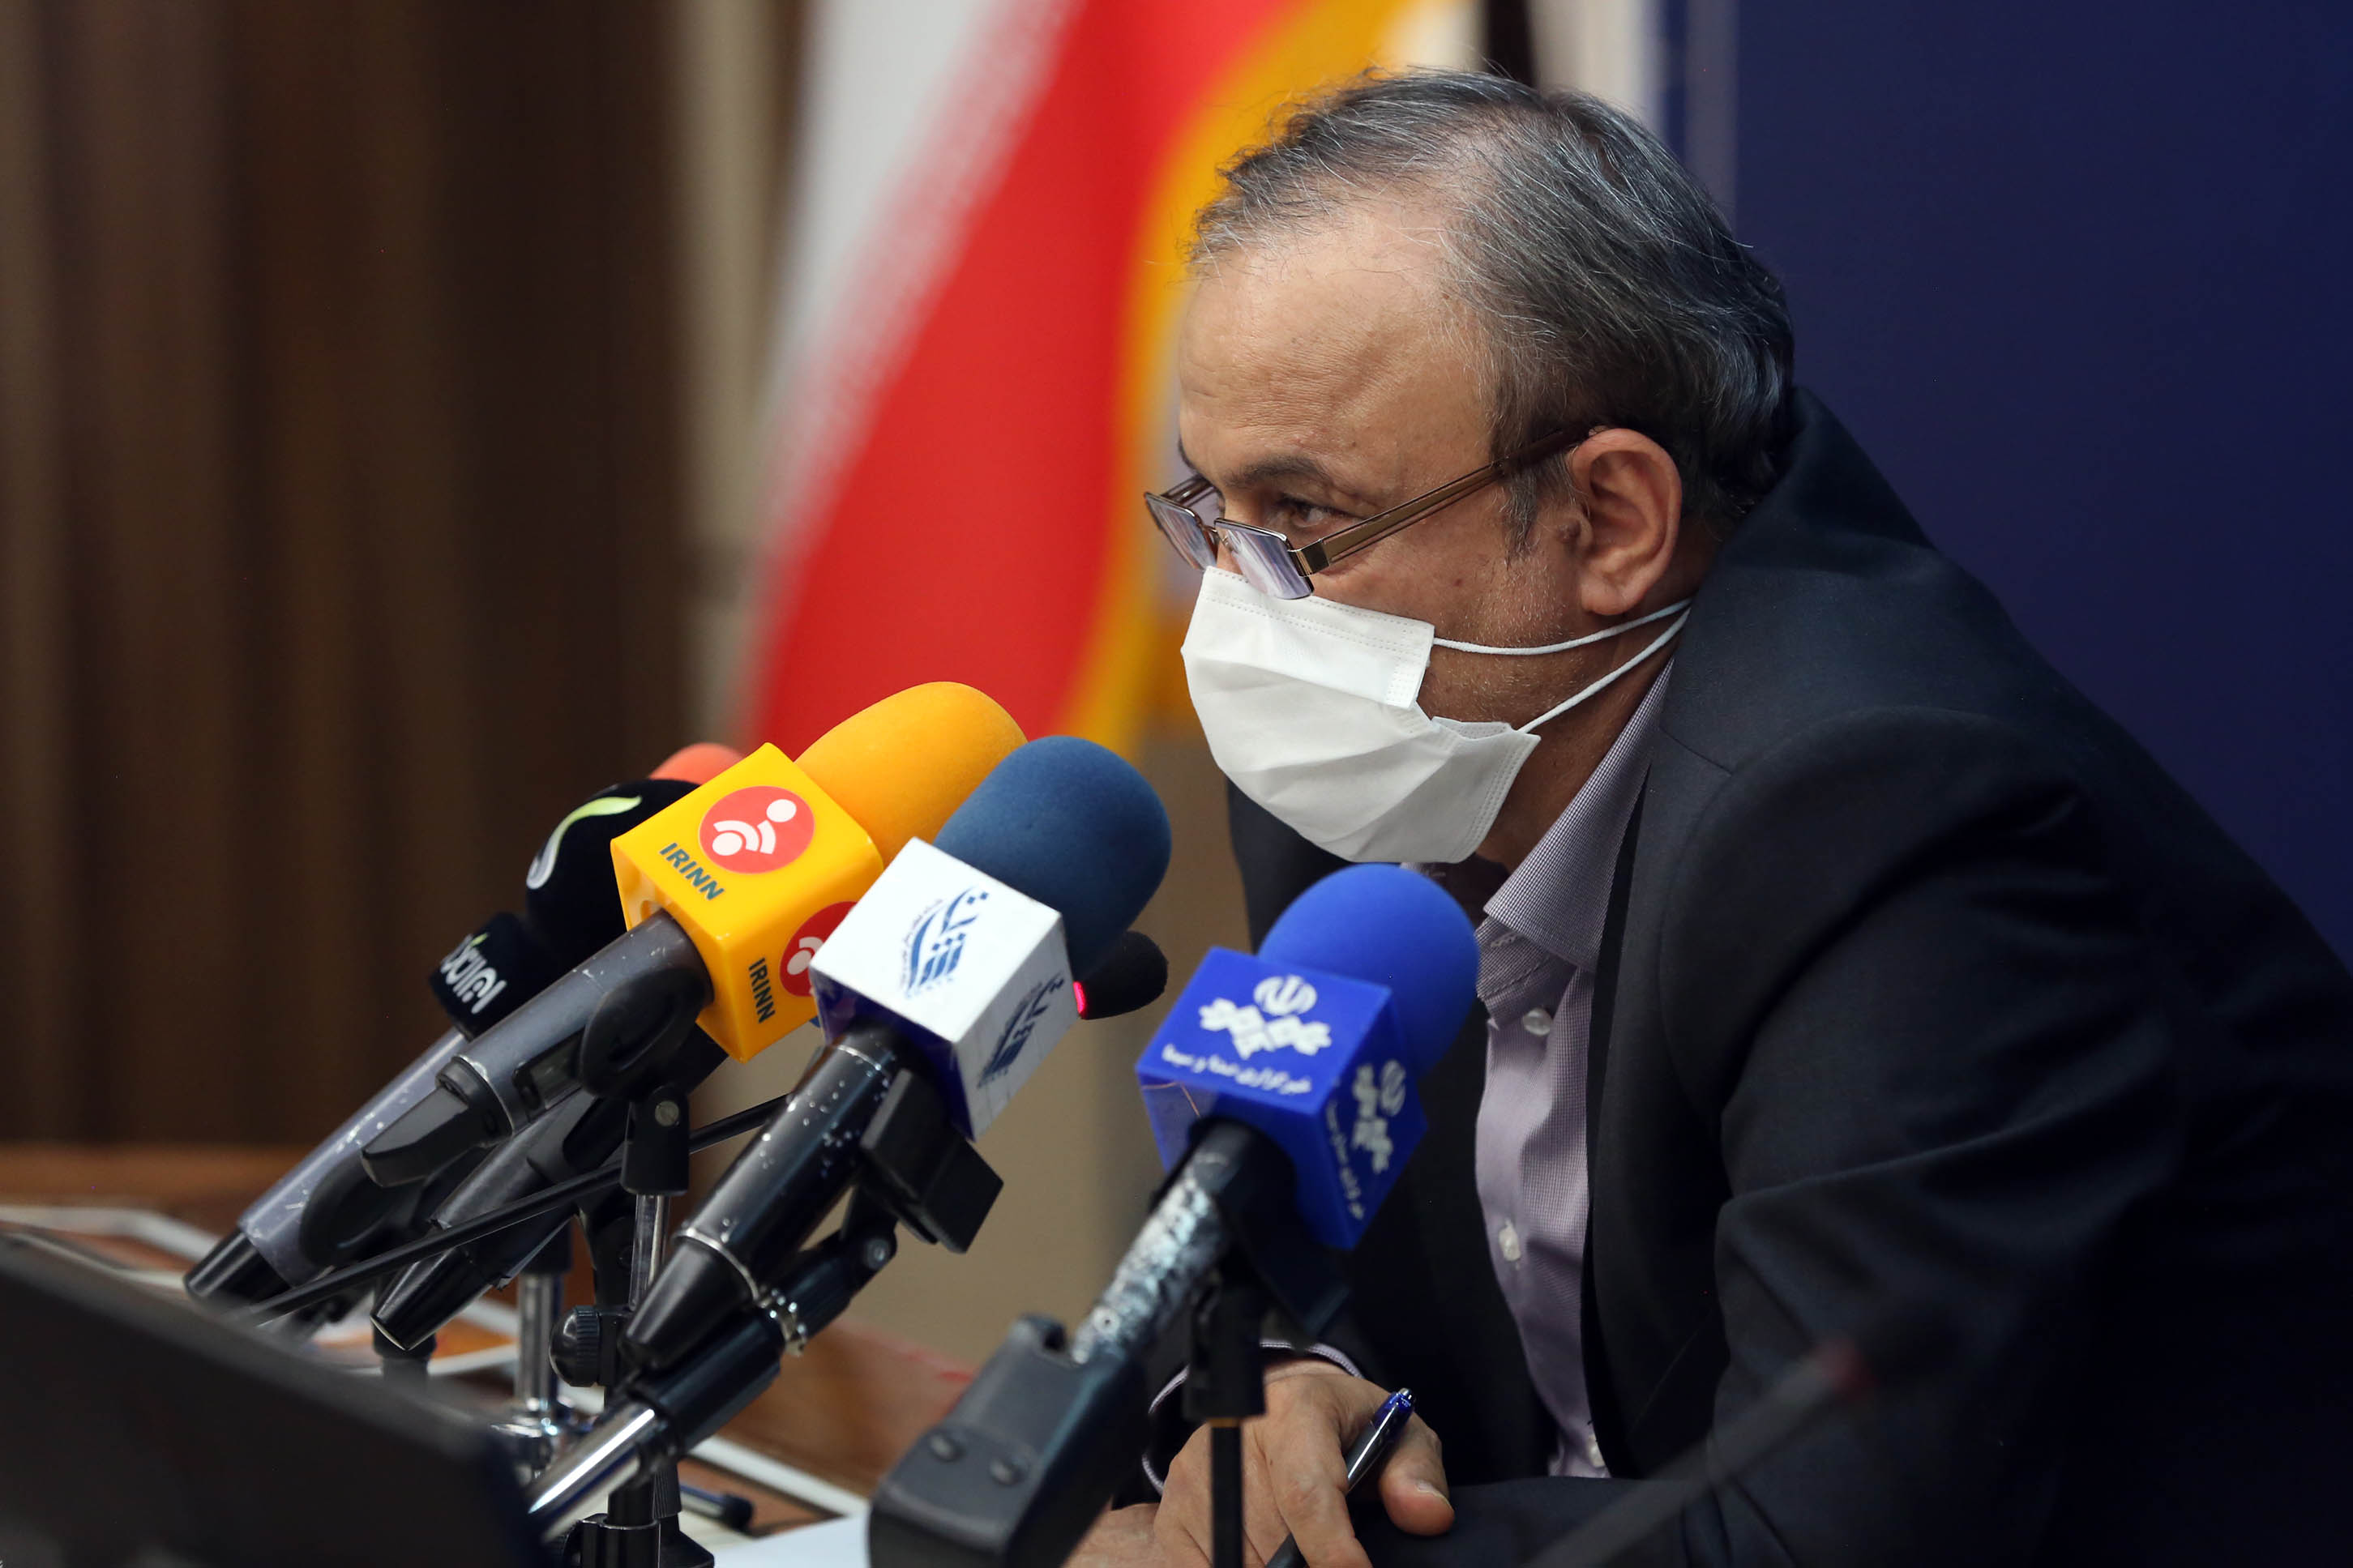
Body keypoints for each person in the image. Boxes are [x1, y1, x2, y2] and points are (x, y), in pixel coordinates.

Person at [1077, 70, 2353, 1566]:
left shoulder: (1888, 819)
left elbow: (1830, 1542)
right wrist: (1281, 1390)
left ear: (1612, 520)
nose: (1238, 610)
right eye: (1210, 511)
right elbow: (1244, 1234)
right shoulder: (1365, 739)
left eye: (1301, 517)